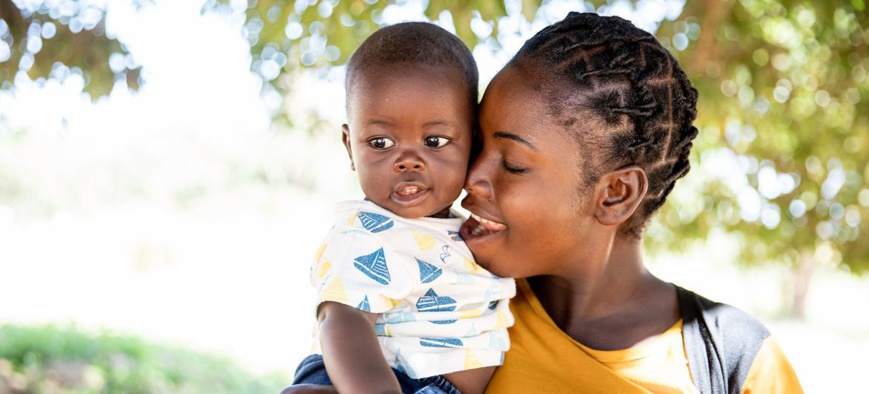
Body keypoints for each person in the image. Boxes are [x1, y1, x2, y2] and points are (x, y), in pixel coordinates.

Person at [457, 12, 803, 393]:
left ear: (616, 194)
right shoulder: (444, 299)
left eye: (513, 164)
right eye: (476, 143)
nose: (471, 176)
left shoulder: (739, 363)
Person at [291, 22, 515, 394]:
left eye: (435, 140)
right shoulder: (367, 232)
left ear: (473, 143)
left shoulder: (458, 228)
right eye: (380, 142)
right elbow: (341, 318)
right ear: (350, 148)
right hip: (383, 379)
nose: (408, 161)